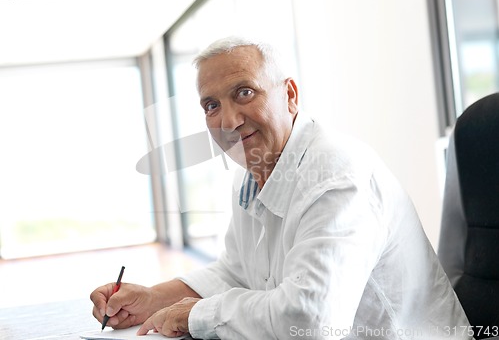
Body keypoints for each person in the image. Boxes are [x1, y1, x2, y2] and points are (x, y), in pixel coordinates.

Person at [91, 36, 471, 339]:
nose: (229, 120)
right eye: (211, 105)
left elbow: (312, 319)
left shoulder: (336, 174)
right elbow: (237, 273)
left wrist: (197, 315)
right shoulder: (252, 174)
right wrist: (154, 299)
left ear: (290, 96)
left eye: (244, 92)